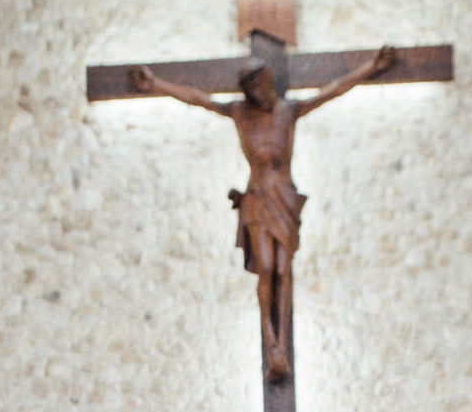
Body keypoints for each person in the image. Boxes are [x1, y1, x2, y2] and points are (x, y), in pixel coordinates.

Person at [130, 47, 396, 381]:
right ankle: (271, 344)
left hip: (283, 196)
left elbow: (334, 89)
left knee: (284, 270)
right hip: (256, 196)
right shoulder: (239, 113)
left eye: (262, 84)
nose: (259, 93)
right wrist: (156, 84)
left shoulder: (290, 110)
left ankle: (281, 344)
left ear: (269, 82)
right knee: (266, 267)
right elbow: (197, 98)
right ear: (247, 92)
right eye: (252, 88)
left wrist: (372, 66)